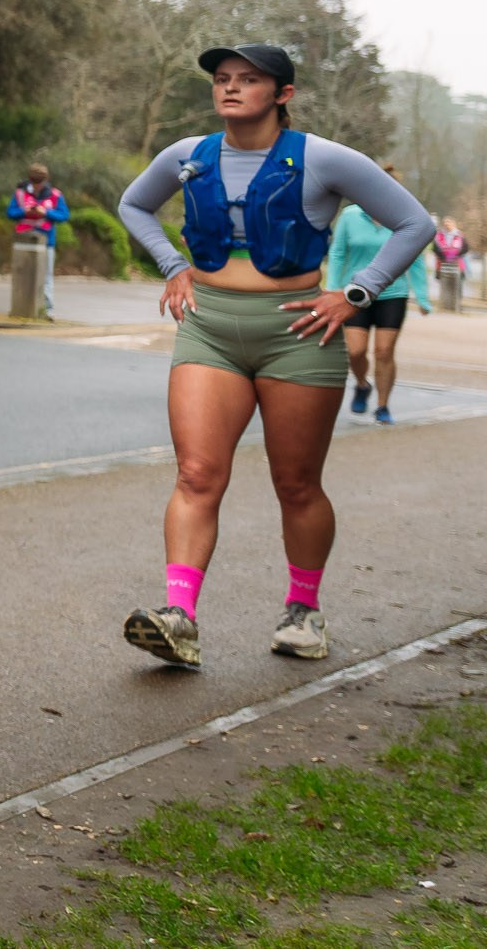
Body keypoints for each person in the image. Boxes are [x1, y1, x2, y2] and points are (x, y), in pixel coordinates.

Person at [117, 44, 432, 667]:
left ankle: (303, 611)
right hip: (208, 328)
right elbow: (134, 204)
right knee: (197, 475)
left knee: (296, 483)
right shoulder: (186, 157)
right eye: (222, 80)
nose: (230, 89)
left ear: (282, 94)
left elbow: (413, 223)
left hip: (299, 333)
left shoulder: (324, 159)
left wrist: (357, 293)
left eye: (248, 80)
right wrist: (174, 266)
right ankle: (179, 617)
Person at [328, 189, 431, 426]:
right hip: (355, 293)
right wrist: (333, 286)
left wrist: (422, 297)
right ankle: (362, 384)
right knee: (356, 351)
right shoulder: (350, 216)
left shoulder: (401, 218)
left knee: (384, 352)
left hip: (392, 293)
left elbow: (414, 257)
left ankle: (383, 406)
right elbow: (338, 251)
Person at [7, 162, 70, 317]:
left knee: (46, 277)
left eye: (39, 182)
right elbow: (10, 212)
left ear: (45, 180)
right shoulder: (20, 193)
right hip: (24, 241)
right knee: (22, 276)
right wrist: (24, 211)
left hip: (46, 241)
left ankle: (46, 310)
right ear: (29, 180)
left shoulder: (55, 195)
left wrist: (46, 213)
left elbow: (64, 215)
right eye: (33, 182)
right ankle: (21, 308)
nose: (36, 186)